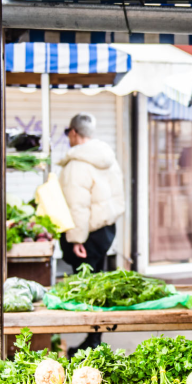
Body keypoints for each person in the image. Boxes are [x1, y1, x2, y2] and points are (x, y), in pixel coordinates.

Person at [59, 113, 125, 351]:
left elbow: (78, 205)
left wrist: (76, 239)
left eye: (68, 133)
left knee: (88, 289)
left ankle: (93, 343)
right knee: (97, 284)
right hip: (105, 229)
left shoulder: (78, 163)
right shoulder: (107, 158)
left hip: (86, 234)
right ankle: (94, 340)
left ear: (74, 133)